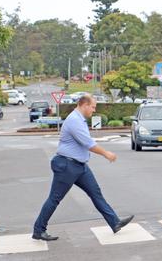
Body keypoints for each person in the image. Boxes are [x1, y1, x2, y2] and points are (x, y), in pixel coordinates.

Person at [32, 95, 133, 241]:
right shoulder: (74, 121)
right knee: (55, 198)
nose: (94, 110)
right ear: (84, 105)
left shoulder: (79, 119)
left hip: (79, 166)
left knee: (96, 193)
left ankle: (114, 222)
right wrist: (106, 154)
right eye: (92, 107)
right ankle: (38, 230)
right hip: (67, 165)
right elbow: (88, 144)